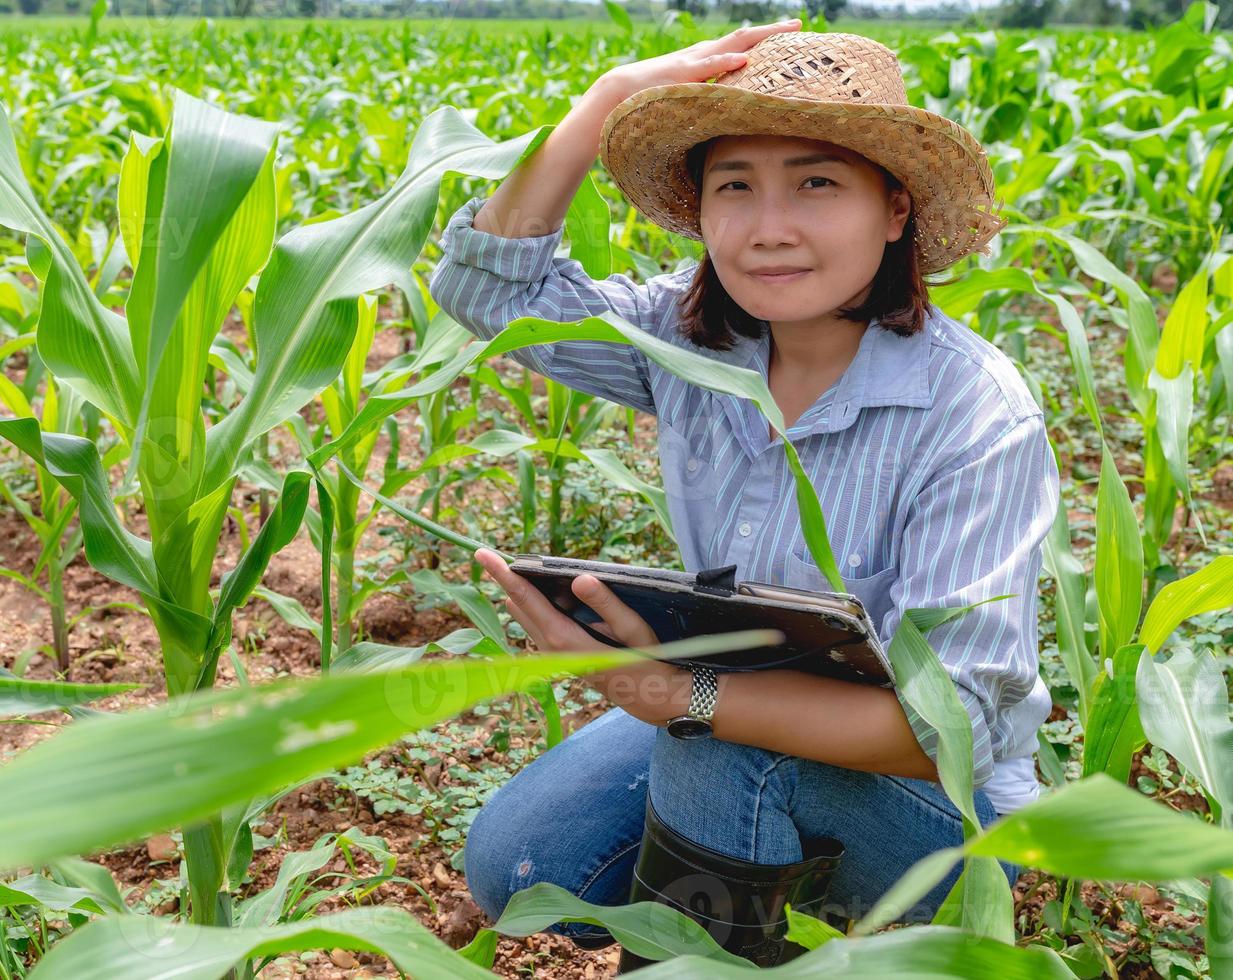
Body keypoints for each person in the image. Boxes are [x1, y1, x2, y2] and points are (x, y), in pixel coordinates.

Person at [427, 25, 1055, 969]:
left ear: (894, 211)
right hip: (743, 709)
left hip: (944, 820)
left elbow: (951, 726)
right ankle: (764, 882)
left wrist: (671, 692)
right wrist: (603, 102)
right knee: (523, 868)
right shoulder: (686, 346)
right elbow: (488, 293)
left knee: (712, 750)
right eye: (734, 186)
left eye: (815, 183)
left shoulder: (973, 415)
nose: (768, 228)